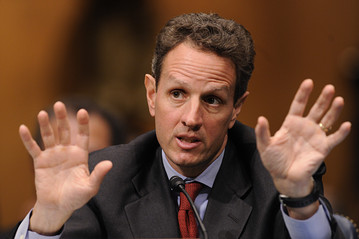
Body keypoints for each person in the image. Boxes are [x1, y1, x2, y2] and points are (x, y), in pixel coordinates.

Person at [10, 13, 352, 238]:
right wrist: (47, 222)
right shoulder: (102, 179)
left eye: (212, 100)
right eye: (177, 93)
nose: (191, 118)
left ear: (237, 108)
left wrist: (299, 197)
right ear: (150, 95)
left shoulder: (274, 178)